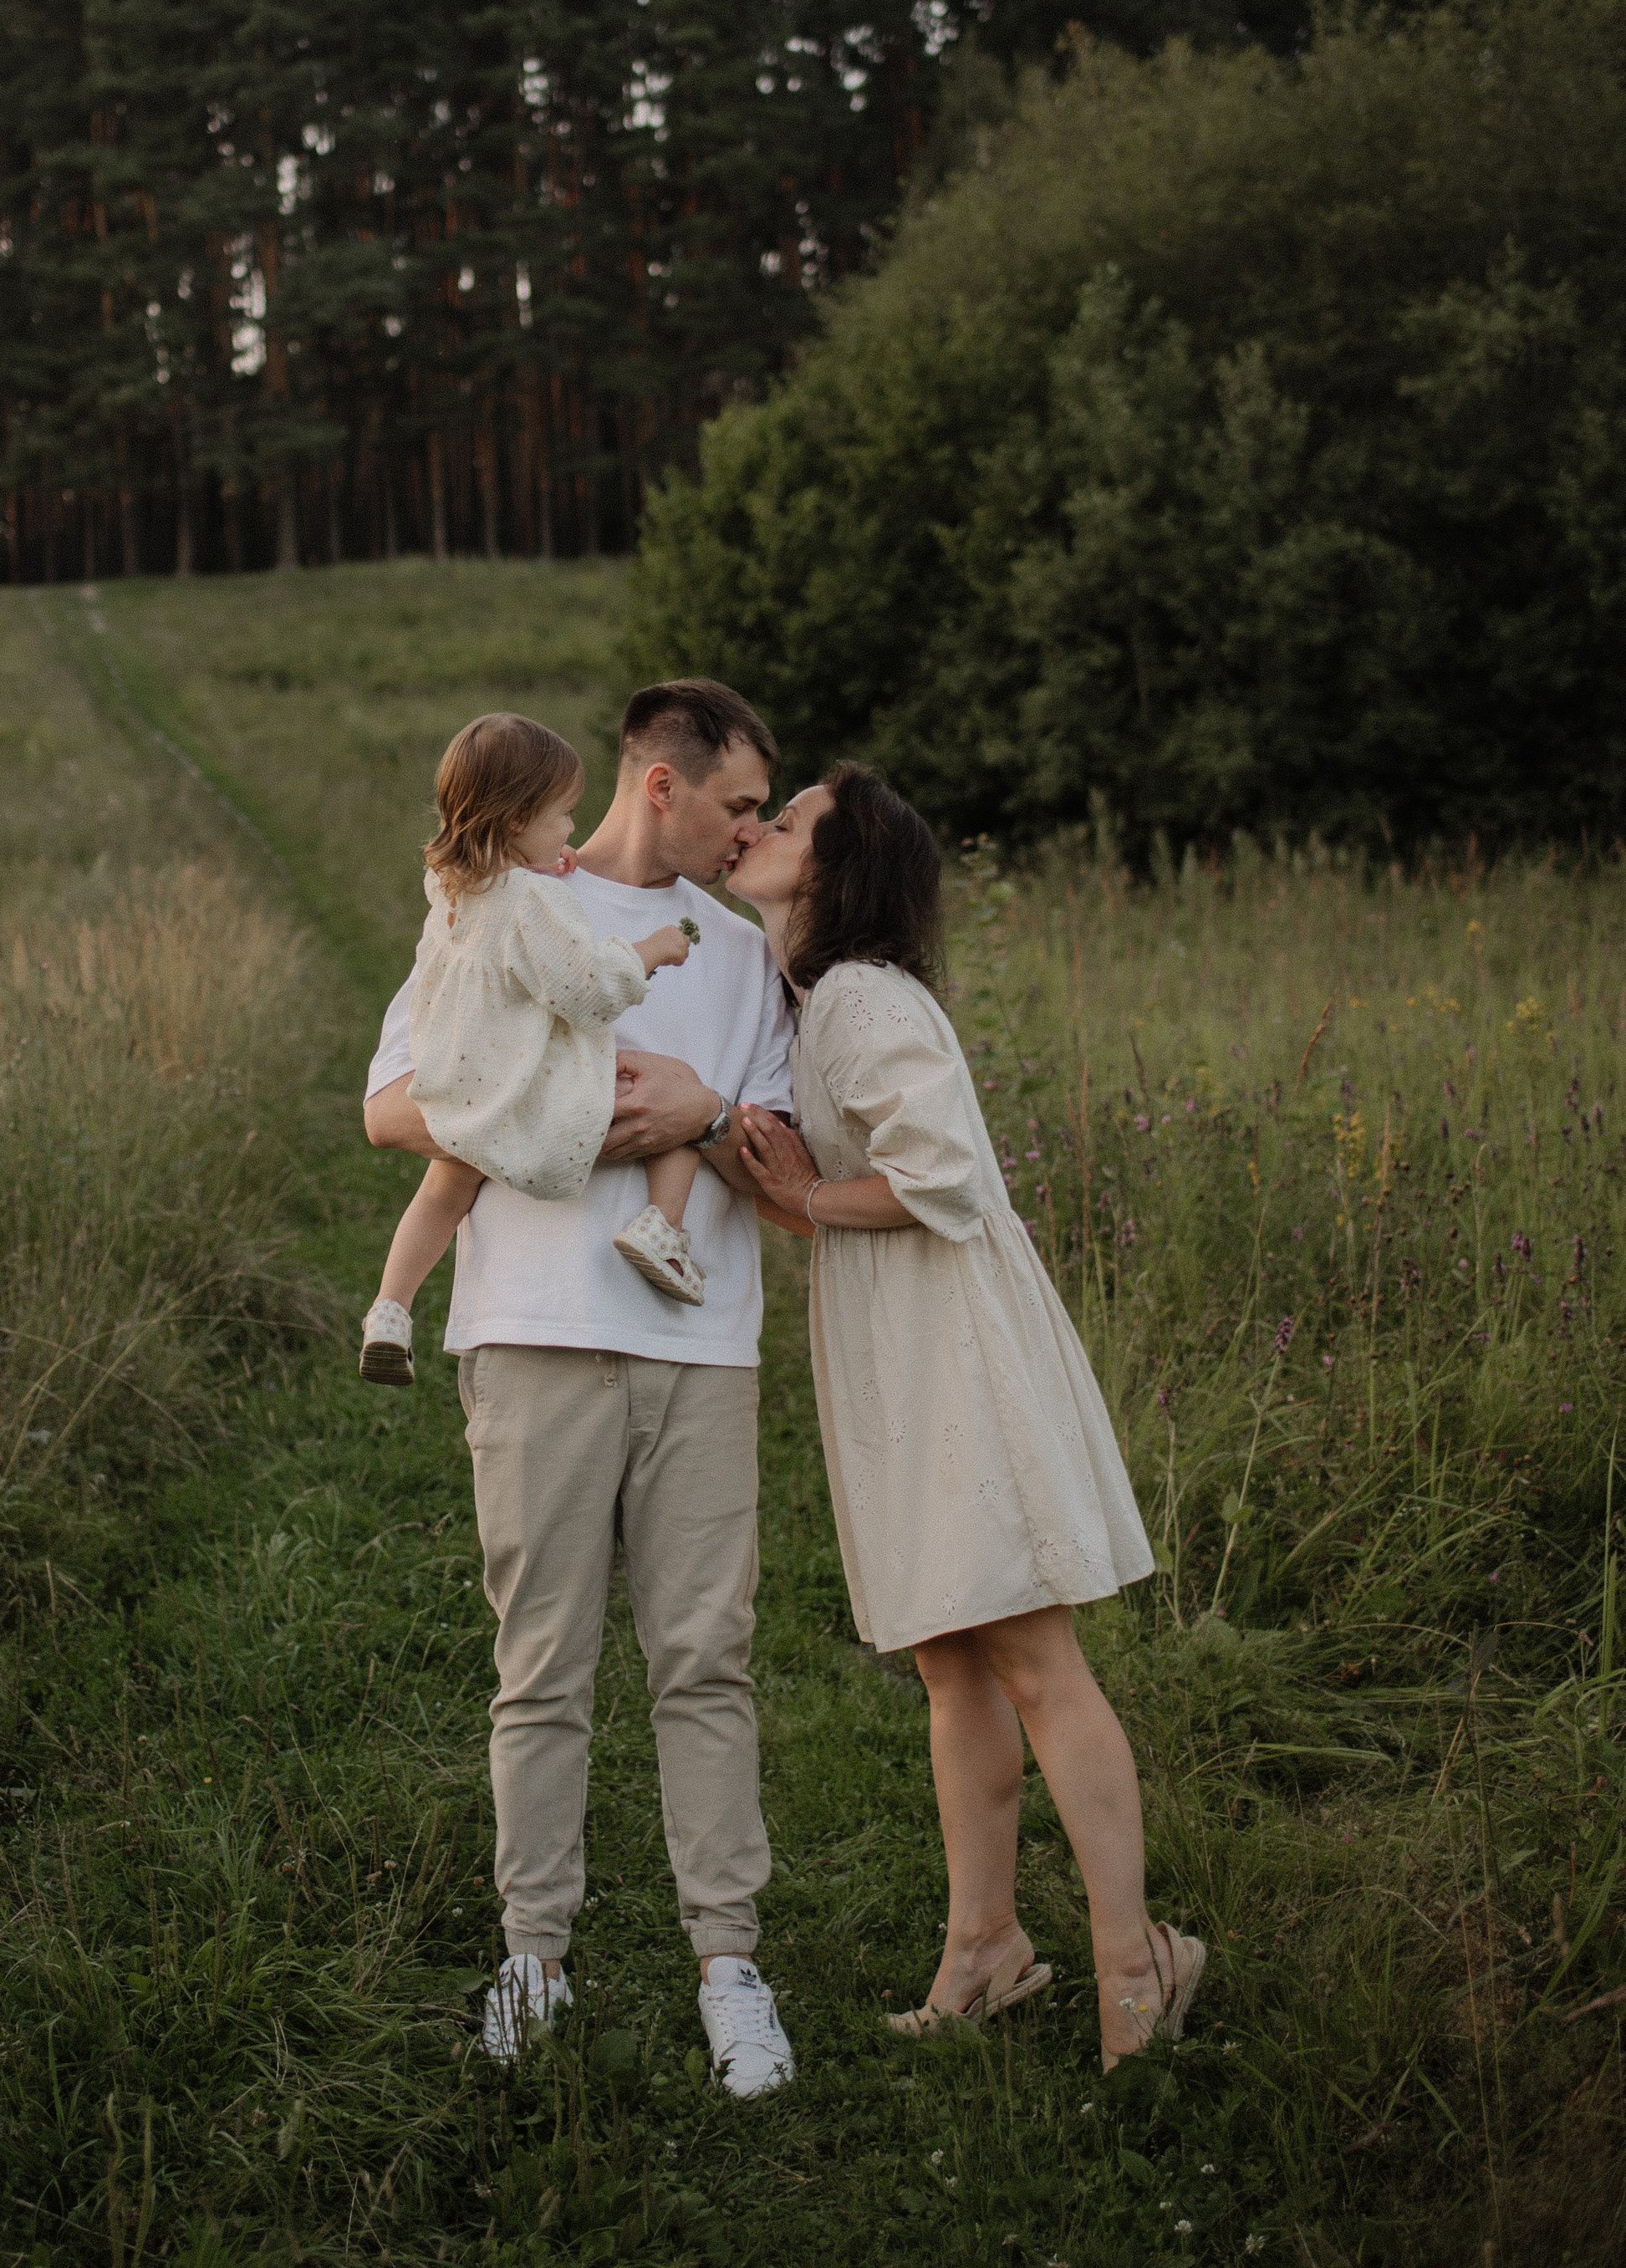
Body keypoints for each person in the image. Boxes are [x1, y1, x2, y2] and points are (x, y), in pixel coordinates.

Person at [728, 764, 1206, 2071]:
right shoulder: (816, 997)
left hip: (951, 1344)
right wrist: (795, 1191)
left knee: (1038, 1661)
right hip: (896, 1336)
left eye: (792, 820)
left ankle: (1136, 1968)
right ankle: (985, 1947)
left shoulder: (866, 996)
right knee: (951, 1660)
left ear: (838, 869)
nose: (762, 830)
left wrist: (812, 1203)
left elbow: (942, 1174)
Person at [364, 678, 799, 2094]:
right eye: (737, 805)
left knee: (704, 1660)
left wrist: (705, 1117)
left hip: (700, 1345)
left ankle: (728, 1960)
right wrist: (563, 1115)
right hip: (533, 1335)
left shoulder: (743, 959)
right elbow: (388, 1101)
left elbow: (786, 1162)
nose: (751, 836)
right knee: (541, 1666)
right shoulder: (494, 905)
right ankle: (533, 1953)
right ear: (659, 785)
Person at [359, 711, 708, 1387]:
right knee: (680, 1101)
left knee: (442, 1192)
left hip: (459, 1083)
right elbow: (587, 990)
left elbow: (507, 915)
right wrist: (652, 951)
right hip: (525, 1088)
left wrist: (547, 869)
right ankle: (661, 1232)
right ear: (518, 819)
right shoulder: (531, 904)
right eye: (563, 816)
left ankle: (391, 1309)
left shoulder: (453, 886)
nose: (571, 829)